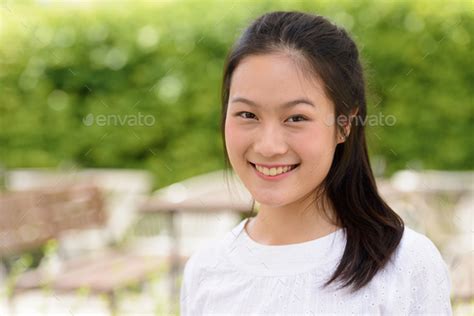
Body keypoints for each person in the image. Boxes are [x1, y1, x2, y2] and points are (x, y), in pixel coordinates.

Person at [180, 11, 452, 315]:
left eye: (296, 118)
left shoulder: (403, 265)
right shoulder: (205, 270)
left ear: (344, 125)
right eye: (247, 115)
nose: (269, 146)